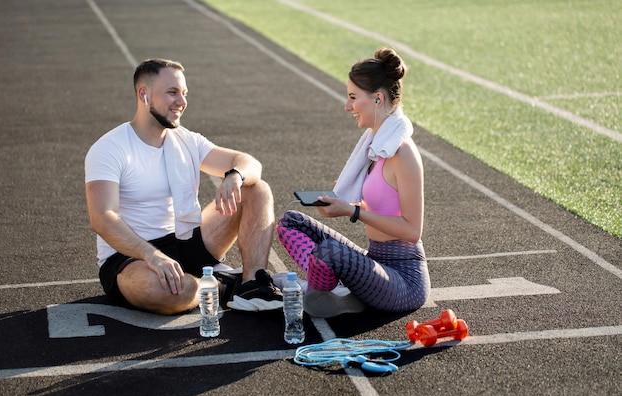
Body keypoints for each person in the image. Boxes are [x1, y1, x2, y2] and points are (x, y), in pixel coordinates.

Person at [85, 58, 282, 316]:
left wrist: (235, 174)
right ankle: (223, 285)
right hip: (132, 256)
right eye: (172, 92)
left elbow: (250, 164)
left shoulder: (186, 140)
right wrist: (152, 256)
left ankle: (252, 283)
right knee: (163, 291)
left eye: (184, 93)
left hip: (185, 241)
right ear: (144, 94)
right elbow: (102, 218)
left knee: (255, 188)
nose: (182, 101)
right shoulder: (110, 148)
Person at [277, 47, 431, 318]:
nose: (347, 106)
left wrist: (353, 211)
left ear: (377, 99)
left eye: (352, 97)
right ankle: (340, 293)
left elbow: (411, 231)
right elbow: (383, 205)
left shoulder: (402, 153)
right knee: (291, 221)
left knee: (329, 253)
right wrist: (350, 203)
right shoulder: (375, 147)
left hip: (404, 283)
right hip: (376, 263)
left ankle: (325, 292)